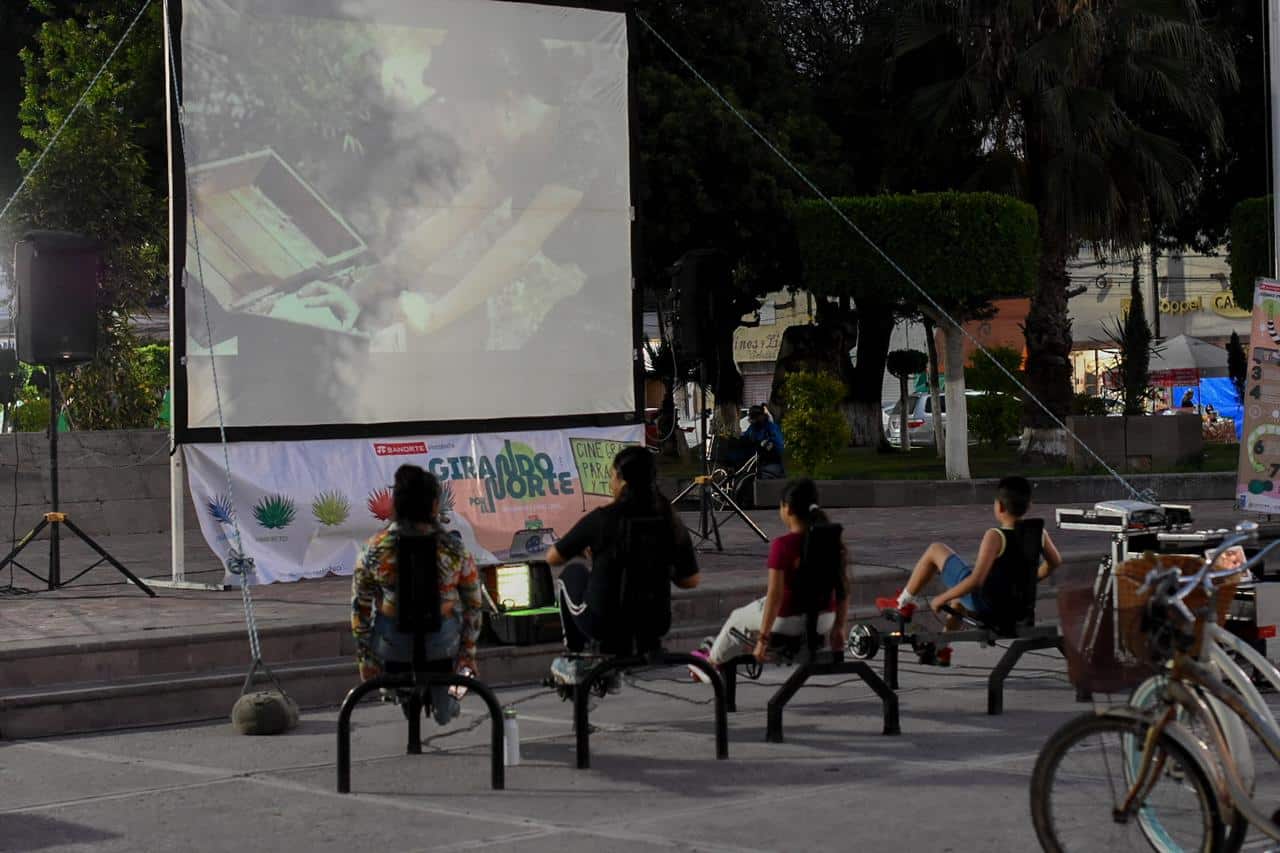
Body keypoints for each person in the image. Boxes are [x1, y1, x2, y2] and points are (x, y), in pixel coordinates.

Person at [545, 446, 701, 686]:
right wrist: (658, 563)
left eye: (612, 477)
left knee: (572, 573)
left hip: (604, 624)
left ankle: (576, 658)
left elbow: (553, 557)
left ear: (622, 480)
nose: (611, 484)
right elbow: (691, 580)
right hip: (654, 624)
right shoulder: (669, 519)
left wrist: (585, 549)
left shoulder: (603, 518)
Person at [875, 476, 1062, 665]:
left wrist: (942, 598)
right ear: (1029, 505)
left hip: (989, 605)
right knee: (959, 601)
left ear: (1000, 507)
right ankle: (941, 652)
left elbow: (976, 581)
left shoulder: (995, 536)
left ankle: (903, 603)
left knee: (936, 549)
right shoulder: (1039, 534)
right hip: (1017, 609)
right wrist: (1027, 582)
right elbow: (1055, 562)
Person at [351, 464, 483, 724]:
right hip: (443, 646)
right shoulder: (455, 550)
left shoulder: (373, 550)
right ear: (434, 506)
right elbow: (474, 606)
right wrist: (467, 654)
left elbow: (360, 610)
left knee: (380, 608)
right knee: (456, 605)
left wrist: (366, 660)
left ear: (395, 506)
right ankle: (452, 692)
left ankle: (393, 689)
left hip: (391, 647)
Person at [691, 480, 849, 670]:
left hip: (787, 620)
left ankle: (711, 662)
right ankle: (718, 651)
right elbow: (842, 585)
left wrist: (763, 641)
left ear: (787, 508)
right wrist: (839, 627)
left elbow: (776, 595)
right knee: (759, 607)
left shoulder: (783, 545)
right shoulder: (830, 540)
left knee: (737, 618)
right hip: (826, 619)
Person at [743, 404, 786, 479]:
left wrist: (765, 444)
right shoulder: (752, 428)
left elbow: (779, 447)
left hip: (772, 464)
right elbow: (746, 439)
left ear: (761, 416)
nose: (752, 420)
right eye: (751, 418)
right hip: (758, 464)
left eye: (754, 417)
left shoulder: (771, 428)